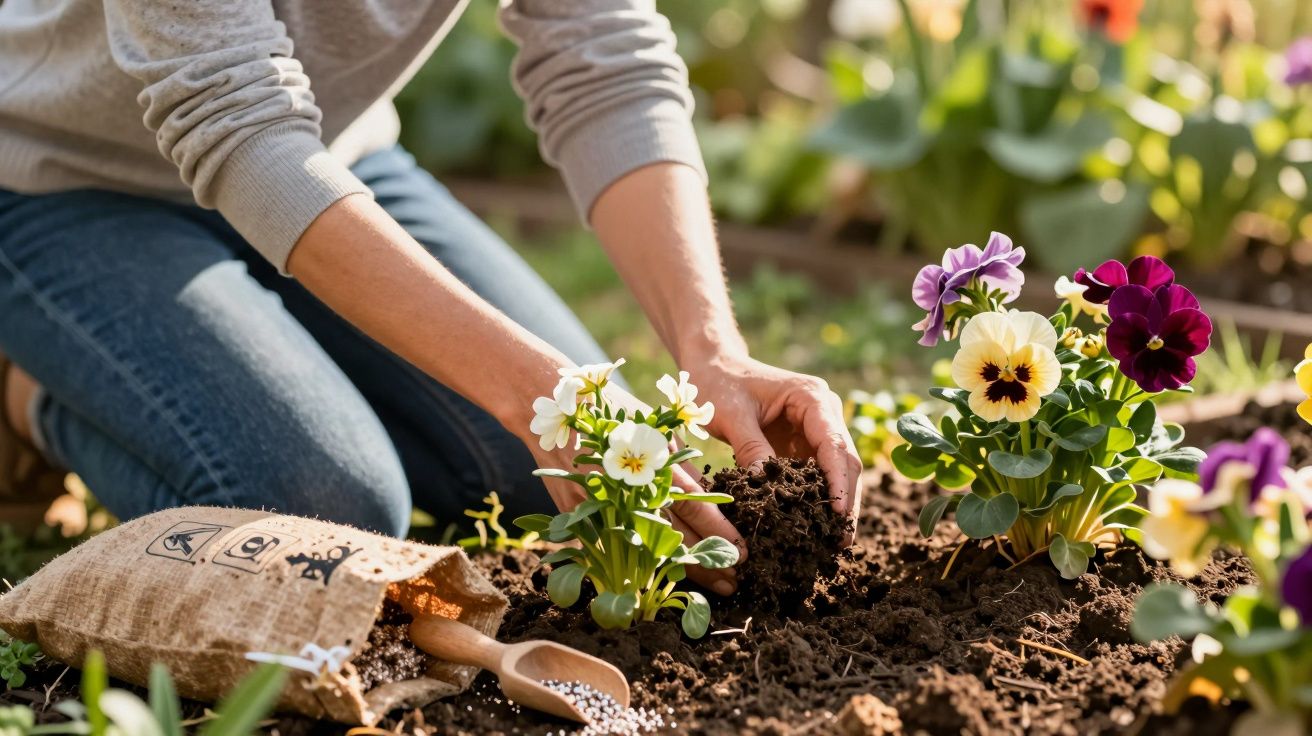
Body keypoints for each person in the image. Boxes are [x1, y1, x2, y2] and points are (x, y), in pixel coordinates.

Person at [0, 0, 861, 595]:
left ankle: (264, 337)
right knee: (323, 512)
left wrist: (710, 350)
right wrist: (542, 392)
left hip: (330, 156)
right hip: (63, 177)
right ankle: (32, 390)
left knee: (547, 478)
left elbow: (605, 58)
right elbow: (226, 111)